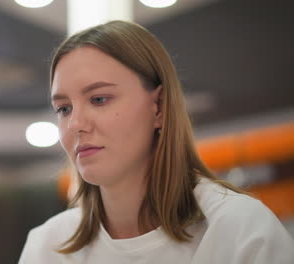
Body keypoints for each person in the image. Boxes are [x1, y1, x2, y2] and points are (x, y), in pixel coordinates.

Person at [18, 20, 294, 263]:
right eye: (64, 108)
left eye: (99, 99)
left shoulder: (240, 229)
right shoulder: (47, 246)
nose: (76, 124)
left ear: (159, 107)